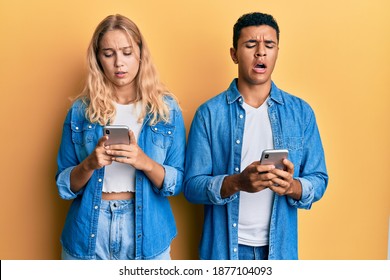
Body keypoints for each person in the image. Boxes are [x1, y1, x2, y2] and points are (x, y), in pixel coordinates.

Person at [183, 12, 328, 260]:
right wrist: (238, 183)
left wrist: (292, 187)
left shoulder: (301, 113)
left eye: (269, 45)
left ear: (276, 52)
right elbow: (191, 187)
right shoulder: (209, 113)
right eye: (251, 44)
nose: (261, 52)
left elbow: (319, 178)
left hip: (279, 251)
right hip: (223, 251)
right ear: (234, 53)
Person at [55, 14, 185, 260]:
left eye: (126, 52)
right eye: (108, 53)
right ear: (98, 58)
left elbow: (177, 183)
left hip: (148, 231)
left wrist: (143, 161)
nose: (119, 63)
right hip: (89, 232)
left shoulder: (166, 110)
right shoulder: (81, 111)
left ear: (140, 53)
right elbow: (64, 186)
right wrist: (90, 164)